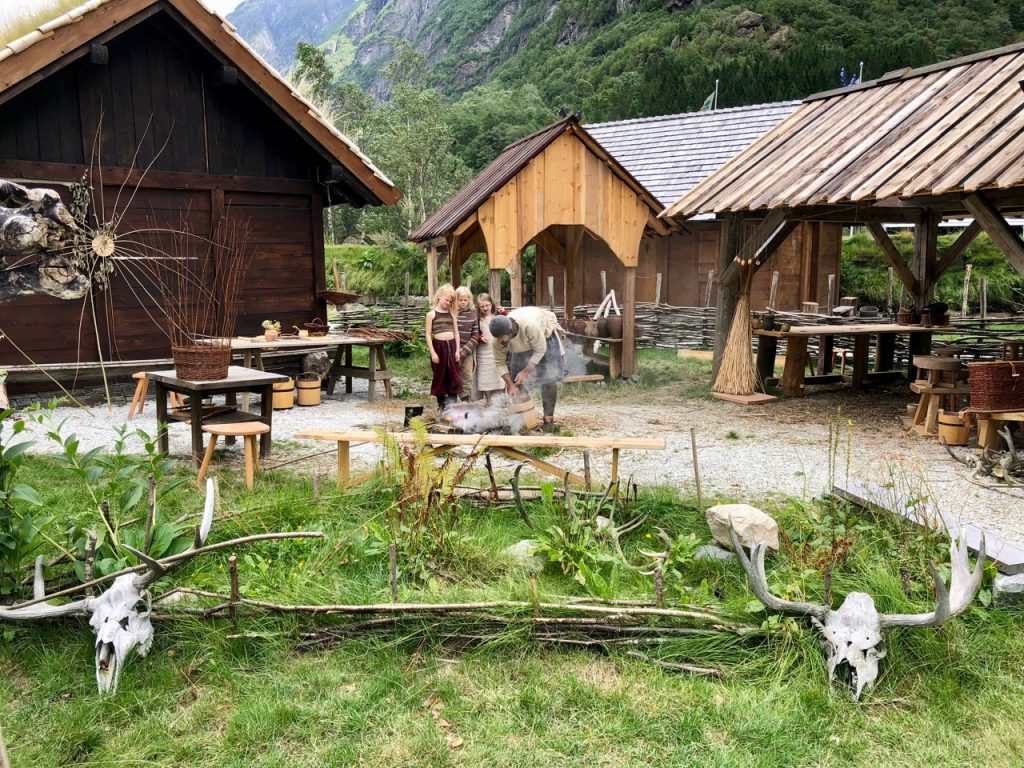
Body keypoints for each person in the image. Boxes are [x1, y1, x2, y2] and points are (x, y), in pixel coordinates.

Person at [489, 306, 566, 427]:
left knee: (549, 378)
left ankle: (548, 419)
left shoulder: (529, 326)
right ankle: (522, 420)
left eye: (500, 338)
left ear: (510, 332)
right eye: (496, 338)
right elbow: (500, 362)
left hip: (544, 336)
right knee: (517, 382)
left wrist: (525, 371)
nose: (498, 341)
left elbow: (540, 350)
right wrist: (509, 384)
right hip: (523, 344)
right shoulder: (498, 338)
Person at [425, 283, 461, 412]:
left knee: (453, 374)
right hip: (438, 347)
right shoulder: (431, 314)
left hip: (451, 346)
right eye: (446, 300)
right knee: (440, 375)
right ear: (439, 296)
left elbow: (456, 332)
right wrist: (433, 353)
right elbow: (428, 335)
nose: (448, 303)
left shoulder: (452, 314)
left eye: (450, 302)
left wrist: (457, 350)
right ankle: (441, 403)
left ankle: (452, 403)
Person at [474, 292, 505, 405]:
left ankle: (502, 399)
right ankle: (488, 400)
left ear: (491, 304)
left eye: (487, 305)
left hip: (497, 350)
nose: (485, 308)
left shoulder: (497, 317)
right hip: (483, 351)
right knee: (484, 374)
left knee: (499, 373)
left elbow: (509, 323)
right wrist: (479, 337)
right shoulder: (477, 319)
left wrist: (505, 312)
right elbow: (473, 333)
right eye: (482, 306)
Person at [454, 286, 479, 402]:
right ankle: (451, 399)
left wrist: (465, 350)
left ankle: (465, 400)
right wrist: (457, 349)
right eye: (460, 300)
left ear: (469, 300)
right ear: (456, 300)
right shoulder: (453, 314)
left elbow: (475, 335)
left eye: (465, 300)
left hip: (467, 352)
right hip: (454, 351)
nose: (463, 302)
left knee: (467, 376)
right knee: (454, 375)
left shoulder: (473, 315)